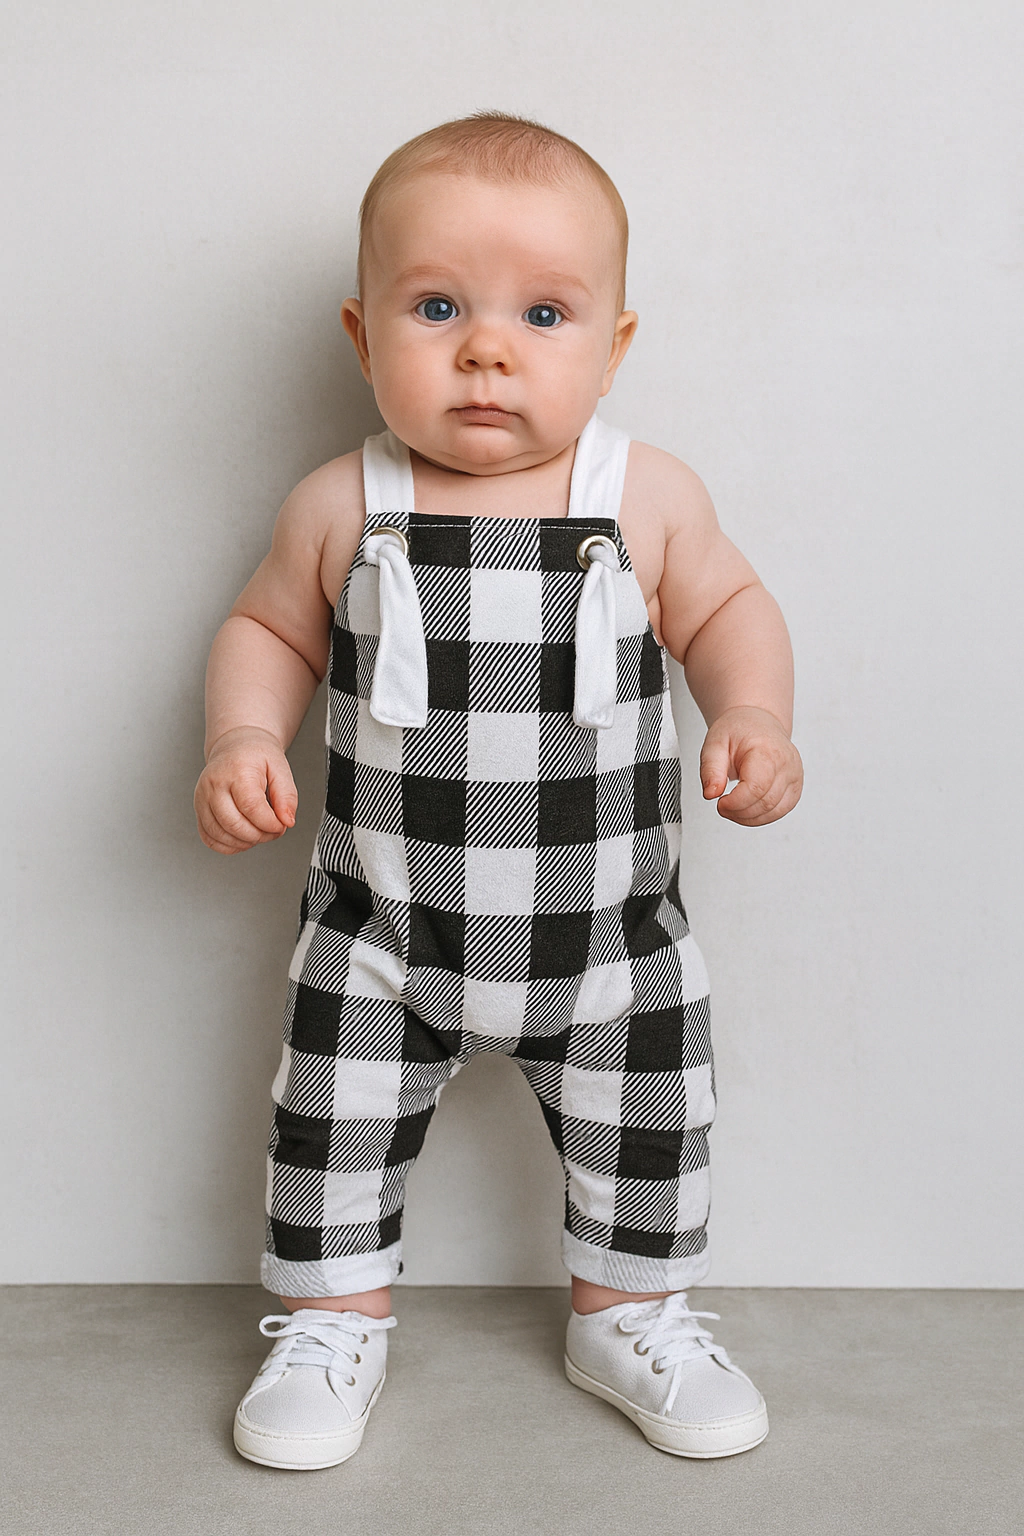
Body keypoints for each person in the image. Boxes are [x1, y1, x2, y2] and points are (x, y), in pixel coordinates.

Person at [194, 112, 803, 1471]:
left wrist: (754, 712)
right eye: (436, 308)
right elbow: (270, 630)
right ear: (362, 336)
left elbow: (730, 610)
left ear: (613, 346)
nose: (487, 349)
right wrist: (242, 736)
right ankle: (331, 1320)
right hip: (383, 931)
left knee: (651, 1125)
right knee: (330, 1124)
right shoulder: (341, 501)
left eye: (542, 313)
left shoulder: (645, 496)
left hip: (610, 939)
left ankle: (629, 1313)